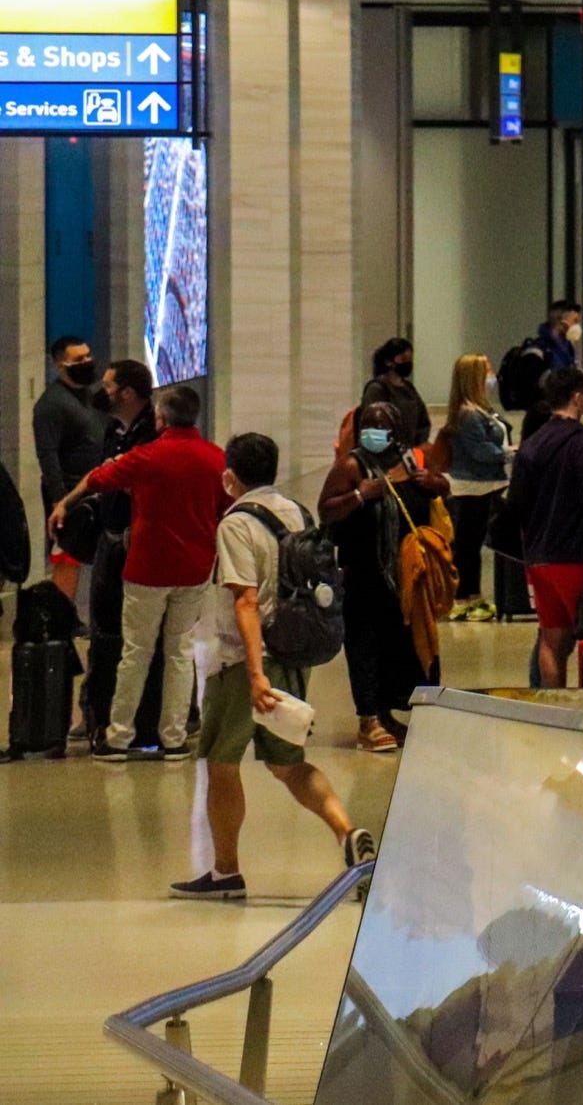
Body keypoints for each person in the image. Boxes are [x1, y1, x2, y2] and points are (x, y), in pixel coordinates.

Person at [170, 432, 377, 900]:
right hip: (290, 654)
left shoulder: (236, 524)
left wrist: (255, 676)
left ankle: (225, 874)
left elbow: (244, 599)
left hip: (244, 662)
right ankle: (347, 833)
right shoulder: (295, 512)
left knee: (221, 765)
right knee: (288, 764)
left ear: (230, 475)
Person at [48, 383, 227, 761]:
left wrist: (64, 503)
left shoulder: (145, 457)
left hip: (147, 569)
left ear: (161, 419)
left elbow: (97, 478)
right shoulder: (215, 458)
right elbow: (227, 507)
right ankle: (174, 738)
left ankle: (119, 737)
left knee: (136, 653)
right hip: (194, 569)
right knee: (179, 652)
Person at [319, 400, 450, 751]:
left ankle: (387, 711)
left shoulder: (410, 461)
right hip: (363, 574)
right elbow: (327, 510)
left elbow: (441, 494)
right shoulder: (352, 465)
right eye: (368, 426)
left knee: (400, 646)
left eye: (381, 426)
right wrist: (361, 494)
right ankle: (368, 719)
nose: (373, 433)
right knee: (364, 647)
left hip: (404, 577)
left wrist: (434, 482)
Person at [509, 367, 583, 688]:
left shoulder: (531, 444)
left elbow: (516, 505)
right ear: (578, 397)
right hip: (577, 557)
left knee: (551, 641)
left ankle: (554, 709)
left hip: (539, 559)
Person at [77, 360, 158, 747]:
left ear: (126, 392)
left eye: (108, 385)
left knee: (143, 632)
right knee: (104, 629)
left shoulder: (153, 432)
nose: (102, 389)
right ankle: (97, 710)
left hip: (139, 541)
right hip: (109, 537)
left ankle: (149, 715)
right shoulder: (113, 429)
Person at [434, 354, 509, 621]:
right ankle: (463, 597)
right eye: (486, 371)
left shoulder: (479, 411)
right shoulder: (469, 415)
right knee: (467, 545)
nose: (492, 376)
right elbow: (481, 451)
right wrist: (509, 454)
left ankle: (471, 594)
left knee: (472, 544)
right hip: (470, 486)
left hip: (481, 485)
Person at [32, 334, 106, 603]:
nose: (87, 362)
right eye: (79, 359)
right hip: (69, 491)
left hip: (94, 486)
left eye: (88, 356)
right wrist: (59, 500)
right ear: (60, 364)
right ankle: (63, 616)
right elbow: (47, 454)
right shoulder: (50, 405)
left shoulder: (90, 396)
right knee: (67, 557)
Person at [359, 337, 432, 452]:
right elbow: (373, 427)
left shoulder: (409, 388)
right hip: (383, 455)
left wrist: (418, 446)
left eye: (410, 359)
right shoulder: (377, 389)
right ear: (389, 361)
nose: (408, 363)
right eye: (403, 359)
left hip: (409, 454)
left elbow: (423, 421)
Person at [537, 297, 583, 376]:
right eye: (575, 321)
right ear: (561, 321)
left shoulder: (568, 348)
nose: (577, 325)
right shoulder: (540, 350)